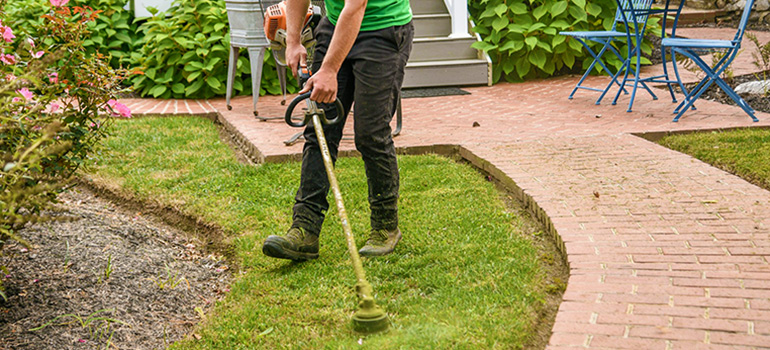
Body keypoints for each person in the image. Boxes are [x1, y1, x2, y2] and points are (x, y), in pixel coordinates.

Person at [261, 0, 414, 261]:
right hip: (334, 27)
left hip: (384, 30)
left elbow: (356, 7)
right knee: (319, 128)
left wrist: (330, 69)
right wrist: (293, 41)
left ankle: (385, 226)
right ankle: (305, 230)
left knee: (370, 134)